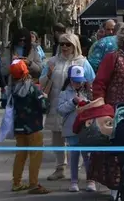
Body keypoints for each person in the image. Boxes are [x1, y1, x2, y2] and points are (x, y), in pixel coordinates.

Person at [39, 33, 95, 181]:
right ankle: (60, 167)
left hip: (78, 107)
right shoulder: (52, 61)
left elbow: (91, 82)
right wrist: (48, 75)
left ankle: (75, 169)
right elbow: (42, 82)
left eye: (68, 44)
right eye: (62, 43)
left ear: (74, 46)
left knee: (76, 135)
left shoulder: (83, 62)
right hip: (57, 104)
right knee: (57, 136)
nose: (64, 47)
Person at [9, 59, 50, 194]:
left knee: (20, 154)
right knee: (35, 155)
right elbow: (43, 107)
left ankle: (17, 182)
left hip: (19, 127)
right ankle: (34, 183)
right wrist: (45, 97)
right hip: (34, 127)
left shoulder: (13, 89)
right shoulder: (32, 88)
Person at [57, 65, 96, 193]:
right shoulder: (64, 93)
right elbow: (60, 110)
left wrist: (88, 104)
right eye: (75, 81)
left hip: (85, 128)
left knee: (87, 155)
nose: (78, 83)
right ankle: (74, 181)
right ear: (70, 80)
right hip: (71, 128)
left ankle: (91, 180)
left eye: (80, 81)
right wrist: (73, 102)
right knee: (74, 155)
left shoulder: (87, 92)